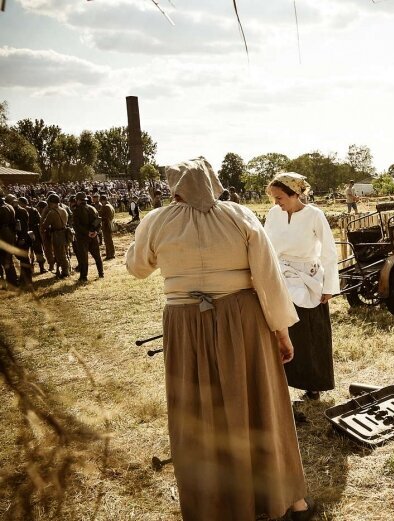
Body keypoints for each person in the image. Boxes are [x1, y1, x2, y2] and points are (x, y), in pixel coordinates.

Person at [125, 158, 315, 521]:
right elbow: (268, 277)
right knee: (261, 402)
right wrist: (281, 330)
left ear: (173, 186)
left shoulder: (157, 221)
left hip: (185, 322)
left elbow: (137, 268)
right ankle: (292, 502)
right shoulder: (239, 215)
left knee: (198, 409)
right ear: (214, 182)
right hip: (241, 319)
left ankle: (214, 507)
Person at [264, 173, 338, 401]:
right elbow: (265, 246)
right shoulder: (273, 214)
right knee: (281, 330)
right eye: (274, 198)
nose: (276, 202)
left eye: (280, 197)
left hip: (308, 279)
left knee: (309, 333)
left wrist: (329, 286)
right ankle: (280, 385)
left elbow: (328, 251)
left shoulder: (314, 215)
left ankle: (313, 385)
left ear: (295, 194)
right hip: (280, 276)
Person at [72, 192, 103, 281]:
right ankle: (101, 274)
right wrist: (95, 232)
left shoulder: (76, 211)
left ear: (78, 200)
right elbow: (99, 221)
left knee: (83, 258)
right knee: (97, 256)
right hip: (93, 236)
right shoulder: (93, 208)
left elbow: (77, 226)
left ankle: (83, 277)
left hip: (83, 238)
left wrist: (87, 233)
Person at [40, 194, 70, 279]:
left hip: (57, 234)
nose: (48, 205)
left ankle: (65, 272)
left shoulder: (52, 213)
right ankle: (64, 270)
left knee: (60, 254)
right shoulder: (63, 210)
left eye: (49, 203)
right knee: (64, 252)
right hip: (64, 233)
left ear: (53, 203)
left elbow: (45, 225)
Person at [99, 194, 116, 260]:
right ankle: (111, 253)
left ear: (102, 200)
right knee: (109, 240)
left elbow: (102, 216)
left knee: (107, 240)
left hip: (106, 225)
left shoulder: (105, 207)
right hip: (110, 224)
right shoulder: (110, 205)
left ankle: (110, 254)